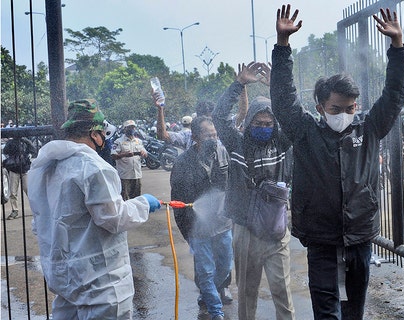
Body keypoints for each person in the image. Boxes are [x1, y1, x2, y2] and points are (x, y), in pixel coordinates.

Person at [271, 5, 404, 319]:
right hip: (320, 235)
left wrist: (397, 47)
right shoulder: (304, 131)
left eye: (349, 107)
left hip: (359, 234)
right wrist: (282, 45)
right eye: (335, 109)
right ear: (319, 107)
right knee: (326, 308)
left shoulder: (369, 128)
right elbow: (282, 97)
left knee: (354, 309)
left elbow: (395, 94)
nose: (343, 114)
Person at [27, 99, 161, 319]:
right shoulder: (94, 168)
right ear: (94, 133)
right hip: (101, 287)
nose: (104, 141)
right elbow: (114, 218)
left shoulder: (45, 168)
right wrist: (144, 203)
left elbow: (40, 223)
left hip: (66, 282)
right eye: (103, 135)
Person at [212, 61, 295, 320]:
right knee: (247, 294)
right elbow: (219, 116)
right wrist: (239, 85)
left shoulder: (281, 141)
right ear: (249, 122)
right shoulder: (236, 143)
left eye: (268, 122)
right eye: (258, 123)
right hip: (246, 231)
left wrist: (278, 89)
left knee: (283, 291)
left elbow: (296, 117)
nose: (263, 127)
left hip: (276, 229)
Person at [170, 116, 233, 320]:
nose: (213, 139)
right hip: (198, 229)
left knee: (225, 266)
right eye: (208, 135)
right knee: (205, 272)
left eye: (215, 135)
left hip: (223, 225)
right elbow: (177, 201)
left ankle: (208, 292)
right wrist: (187, 233)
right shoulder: (182, 163)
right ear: (196, 137)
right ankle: (216, 311)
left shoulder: (224, 153)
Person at [112, 120, 148, 200]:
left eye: (133, 127)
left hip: (137, 175)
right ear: (125, 129)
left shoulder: (138, 141)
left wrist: (144, 154)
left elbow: (145, 153)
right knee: (125, 199)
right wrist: (125, 155)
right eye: (130, 127)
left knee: (137, 198)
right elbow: (113, 155)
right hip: (125, 175)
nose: (132, 129)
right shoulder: (118, 142)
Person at [2, 137, 36, 220]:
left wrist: (26, 142)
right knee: (13, 192)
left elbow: (33, 150)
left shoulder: (25, 141)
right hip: (14, 168)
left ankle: (36, 208)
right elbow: (5, 151)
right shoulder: (11, 142)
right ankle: (15, 210)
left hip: (24, 168)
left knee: (28, 190)